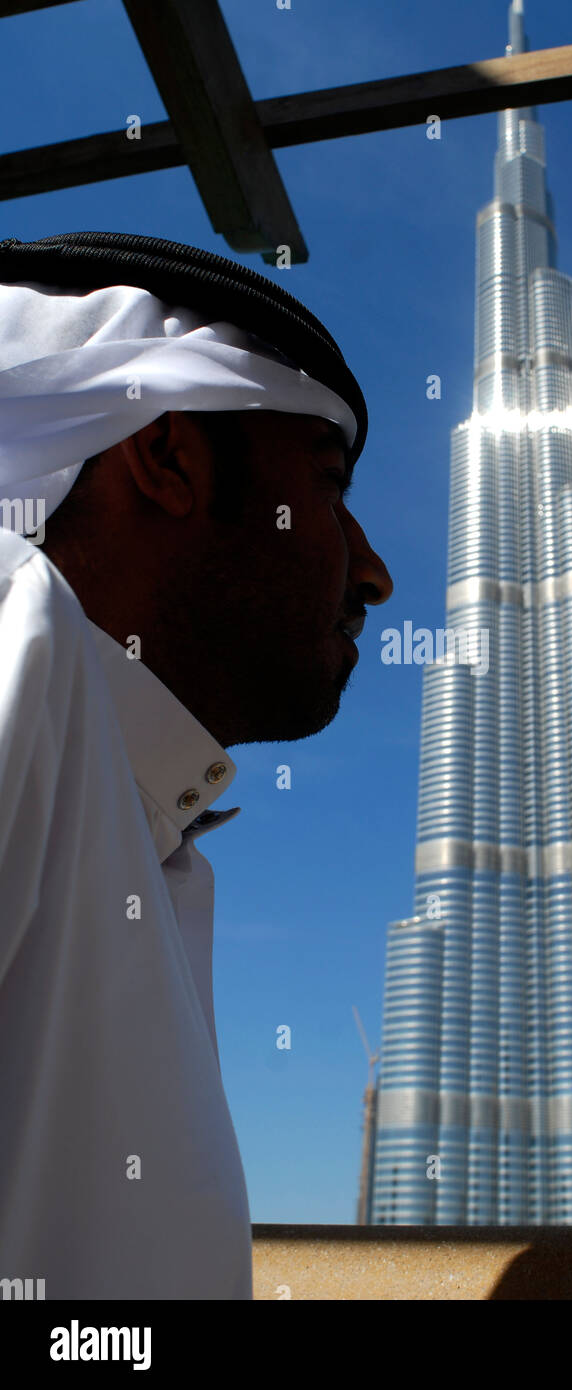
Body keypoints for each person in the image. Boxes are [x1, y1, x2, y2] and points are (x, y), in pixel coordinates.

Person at [0, 232, 393, 1300]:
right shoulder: (11, 623)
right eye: (328, 487)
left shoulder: (145, 826)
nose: (374, 568)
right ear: (170, 457)